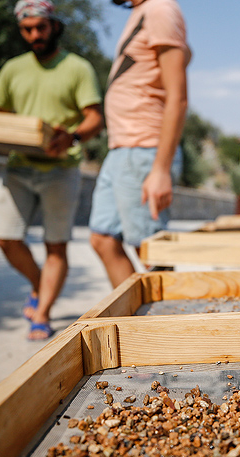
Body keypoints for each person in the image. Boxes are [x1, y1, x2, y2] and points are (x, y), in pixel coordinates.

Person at [0, 0, 103, 340]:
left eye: (40, 27)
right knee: (5, 238)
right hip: (18, 167)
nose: (35, 34)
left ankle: (43, 313)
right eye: (27, 29)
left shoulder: (78, 68)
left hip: (61, 169)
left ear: (54, 26)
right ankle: (39, 284)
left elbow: (94, 117)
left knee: (56, 246)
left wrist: (73, 136)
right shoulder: (13, 68)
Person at [89, 0, 191, 287]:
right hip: (122, 147)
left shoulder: (160, 8)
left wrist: (160, 169)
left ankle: (168, 331)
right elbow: (185, 54)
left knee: (151, 253)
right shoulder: (144, 12)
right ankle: (139, 322)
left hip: (145, 148)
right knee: (103, 239)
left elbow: (178, 97)